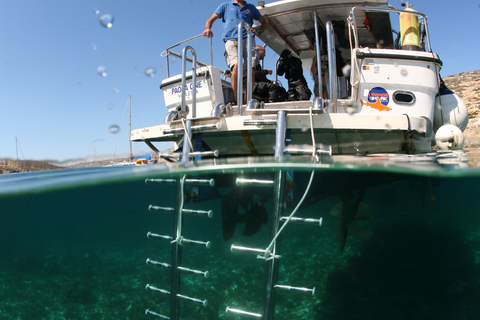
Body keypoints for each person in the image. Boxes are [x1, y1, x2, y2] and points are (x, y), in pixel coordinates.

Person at [203, 0, 268, 103]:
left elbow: (264, 22)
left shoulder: (250, 8)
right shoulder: (225, 6)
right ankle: (236, 100)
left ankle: (248, 100)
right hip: (231, 39)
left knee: (250, 68)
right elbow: (210, 19)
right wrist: (207, 28)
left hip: (248, 39)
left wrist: (259, 31)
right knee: (236, 66)